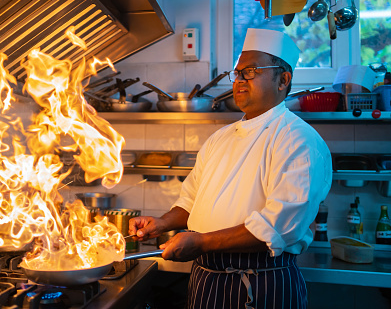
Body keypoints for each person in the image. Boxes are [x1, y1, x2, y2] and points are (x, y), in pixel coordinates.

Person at [129, 28, 332, 309]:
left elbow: (278, 227)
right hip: (206, 280)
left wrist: (200, 242)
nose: (239, 80)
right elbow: (190, 201)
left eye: (251, 72)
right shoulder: (220, 138)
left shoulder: (298, 140)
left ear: (283, 80)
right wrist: (162, 223)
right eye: (237, 73)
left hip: (262, 284)